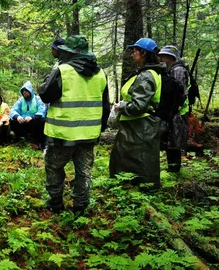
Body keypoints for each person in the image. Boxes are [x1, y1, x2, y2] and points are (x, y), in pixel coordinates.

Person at [38, 35, 109, 215]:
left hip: (63, 134)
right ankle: (80, 207)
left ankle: (55, 204)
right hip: (89, 134)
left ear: (68, 53)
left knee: (54, 167)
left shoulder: (63, 71)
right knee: (84, 171)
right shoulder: (101, 74)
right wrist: (98, 129)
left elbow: (45, 94)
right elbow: (105, 107)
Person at [110, 38, 164, 190]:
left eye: (135, 50)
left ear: (144, 53)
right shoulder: (143, 73)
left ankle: (144, 191)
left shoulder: (147, 75)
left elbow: (138, 106)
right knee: (130, 159)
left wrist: (121, 106)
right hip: (135, 126)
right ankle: (130, 189)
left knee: (142, 161)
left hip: (141, 126)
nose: (132, 54)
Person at [158, 45, 189, 172]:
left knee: (174, 142)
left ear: (169, 57)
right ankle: (172, 168)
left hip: (178, 113)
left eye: (163, 56)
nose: (160, 59)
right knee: (170, 141)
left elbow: (179, 92)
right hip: (173, 111)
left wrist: (172, 108)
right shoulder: (171, 69)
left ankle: (174, 169)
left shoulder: (178, 71)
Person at [9, 81, 47, 149]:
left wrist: (32, 117)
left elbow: (42, 111)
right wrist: (17, 117)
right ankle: (20, 137)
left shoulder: (37, 99)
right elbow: (13, 110)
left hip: (34, 122)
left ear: (30, 91)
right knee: (12, 121)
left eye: (26, 91)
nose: (24, 92)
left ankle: (38, 140)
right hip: (22, 122)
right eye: (23, 91)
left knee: (42, 121)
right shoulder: (21, 100)